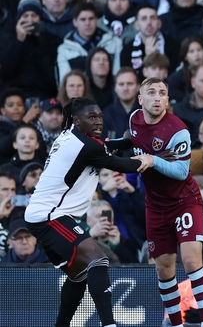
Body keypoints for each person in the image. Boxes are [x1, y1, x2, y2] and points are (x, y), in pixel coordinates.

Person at [24, 97, 153, 327]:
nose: (98, 121)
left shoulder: (72, 136)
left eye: (100, 116)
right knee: (97, 259)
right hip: (50, 216)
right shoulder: (86, 146)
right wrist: (153, 159)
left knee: (78, 275)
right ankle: (109, 324)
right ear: (76, 120)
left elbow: (106, 145)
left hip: (44, 215)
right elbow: (123, 165)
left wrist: (127, 141)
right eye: (91, 117)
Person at [114, 77, 203, 327]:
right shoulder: (134, 118)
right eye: (151, 92)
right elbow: (133, 136)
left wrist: (152, 160)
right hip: (155, 205)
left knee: (191, 261)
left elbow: (181, 172)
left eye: (162, 93)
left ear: (167, 100)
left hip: (184, 200)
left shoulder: (178, 130)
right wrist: (118, 144)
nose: (157, 97)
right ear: (140, 100)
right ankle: (176, 324)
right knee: (164, 270)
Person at [0, 0, 60, 99]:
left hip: (45, 95)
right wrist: (19, 41)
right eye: (25, 16)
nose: (30, 20)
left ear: (40, 18)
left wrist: (40, 38)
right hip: (16, 96)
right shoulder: (8, 39)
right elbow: (6, 71)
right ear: (18, 19)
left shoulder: (52, 40)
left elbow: (50, 74)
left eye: (34, 15)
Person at [56, 2, 122, 84]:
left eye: (91, 19)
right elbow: (65, 83)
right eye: (83, 19)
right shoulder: (64, 49)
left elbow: (118, 77)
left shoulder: (114, 43)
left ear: (97, 20)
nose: (87, 23)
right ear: (75, 22)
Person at [120, 4, 179, 76]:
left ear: (159, 23)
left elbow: (173, 77)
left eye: (153, 18)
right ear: (137, 25)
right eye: (144, 18)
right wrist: (148, 57)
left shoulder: (174, 46)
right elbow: (130, 80)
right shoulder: (127, 51)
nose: (149, 23)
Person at [102, 67, 140, 140]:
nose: (125, 88)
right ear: (115, 88)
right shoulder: (106, 116)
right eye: (121, 84)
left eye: (130, 84)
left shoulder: (146, 113)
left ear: (138, 87)